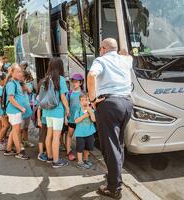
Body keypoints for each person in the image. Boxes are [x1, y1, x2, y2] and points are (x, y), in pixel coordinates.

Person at [87, 38, 133, 199]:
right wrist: (121, 52)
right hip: (127, 104)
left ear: (102, 49)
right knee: (118, 143)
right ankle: (115, 177)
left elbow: (91, 75)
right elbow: (127, 53)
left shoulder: (101, 60)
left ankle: (114, 188)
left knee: (110, 146)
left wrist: (92, 100)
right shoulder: (126, 60)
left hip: (109, 105)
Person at [42, 57, 70, 168]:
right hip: (57, 111)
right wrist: (67, 109)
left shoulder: (46, 79)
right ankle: (56, 161)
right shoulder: (60, 79)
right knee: (56, 136)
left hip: (47, 110)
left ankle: (49, 157)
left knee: (49, 134)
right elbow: (63, 96)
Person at [4, 64, 31, 160]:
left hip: (15, 111)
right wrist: (21, 108)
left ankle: (8, 149)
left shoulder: (16, 82)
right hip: (14, 111)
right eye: (18, 72)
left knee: (14, 130)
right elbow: (11, 99)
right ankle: (19, 152)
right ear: (12, 73)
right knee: (16, 132)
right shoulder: (11, 84)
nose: (20, 73)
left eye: (21, 71)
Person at [74, 93, 96, 169]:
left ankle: (86, 159)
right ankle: (80, 162)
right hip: (80, 133)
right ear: (80, 102)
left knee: (87, 147)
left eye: (86, 100)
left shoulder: (91, 110)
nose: (84, 102)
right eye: (82, 100)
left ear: (89, 101)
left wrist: (90, 112)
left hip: (89, 133)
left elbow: (94, 120)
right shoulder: (78, 110)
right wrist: (84, 116)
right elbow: (76, 121)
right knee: (80, 149)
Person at [66, 73, 84, 161]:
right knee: (69, 135)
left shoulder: (83, 93)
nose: (74, 83)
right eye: (73, 81)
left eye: (76, 82)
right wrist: (66, 117)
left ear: (80, 83)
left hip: (81, 119)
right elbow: (67, 106)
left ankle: (81, 152)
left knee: (80, 136)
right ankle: (69, 151)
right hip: (72, 119)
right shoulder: (69, 93)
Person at [21, 71, 35, 148]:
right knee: (20, 129)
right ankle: (19, 143)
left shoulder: (27, 84)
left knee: (26, 128)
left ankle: (25, 141)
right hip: (20, 109)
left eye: (23, 76)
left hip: (27, 109)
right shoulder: (16, 84)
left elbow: (29, 91)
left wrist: (24, 84)